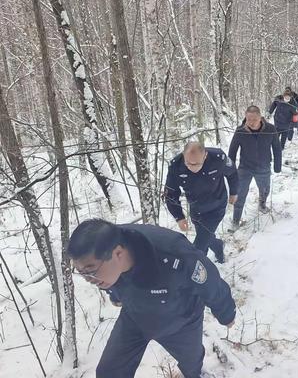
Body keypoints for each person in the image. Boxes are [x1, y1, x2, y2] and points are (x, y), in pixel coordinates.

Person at [67, 219, 236, 378]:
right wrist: (116, 295)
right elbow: (109, 280)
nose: (88, 279)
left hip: (181, 321)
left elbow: (210, 282)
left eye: (90, 271)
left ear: (118, 253)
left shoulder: (173, 254)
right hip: (134, 319)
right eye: (81, 273)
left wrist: (226, 313)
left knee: (192, 365)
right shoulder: (106, 255)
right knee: (108, 372)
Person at [164, 142, 238, 264]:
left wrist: (234, 192)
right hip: (196, 208)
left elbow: (232, 173)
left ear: (205, 156)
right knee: (206, 236)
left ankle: (198, 272)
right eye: (188, 163)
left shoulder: (218, 158)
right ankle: (218, 246)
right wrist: (179, 217)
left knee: (199, 247)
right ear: (183, 155)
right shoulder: (176, 166)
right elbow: (171, 194)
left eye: (197, 164)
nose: (192, 167)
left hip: (217, 206)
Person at [228, 105, 282, 227]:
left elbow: (277, 148)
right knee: (240, 193)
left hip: (264, 167)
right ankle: (236, 220)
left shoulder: (270, 129)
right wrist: (230, 169)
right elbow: (232, 151)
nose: (251, 122)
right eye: (248, 119)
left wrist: (277, 166)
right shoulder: (240, 130)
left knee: (265, 189)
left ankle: (262, 204)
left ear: (260, 118)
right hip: (245, 168)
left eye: (254, 119)